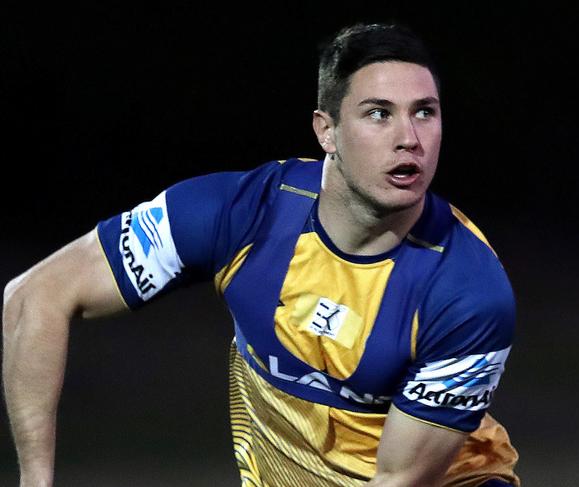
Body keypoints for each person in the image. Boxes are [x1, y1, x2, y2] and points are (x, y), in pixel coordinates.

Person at [3, 22, 520, 487]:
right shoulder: (241, 213)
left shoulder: (468, 291)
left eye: (424, 113)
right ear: (327, 131)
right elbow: (33, 297)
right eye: (378, 114)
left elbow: (401, 481)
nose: (409, 139)